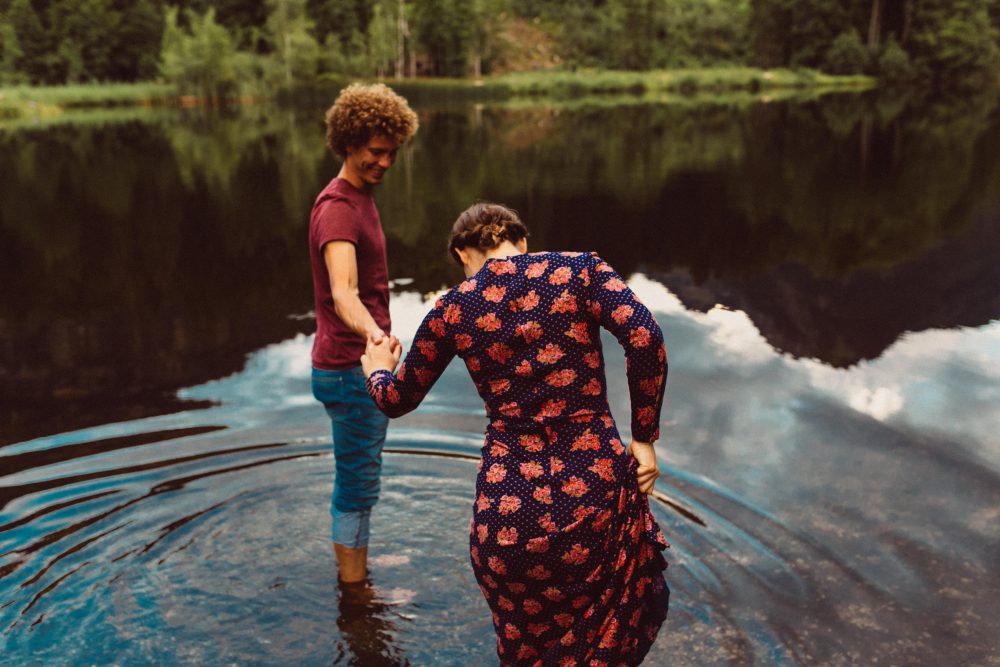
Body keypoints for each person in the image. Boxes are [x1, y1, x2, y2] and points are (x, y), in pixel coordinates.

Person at [361, 203, 670, 665]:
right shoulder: (581, 270)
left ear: (462, 252)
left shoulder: (453, 308)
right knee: (599, 636)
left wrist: (377, 371)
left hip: (509, 519)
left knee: (525, 651)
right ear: (520, 240)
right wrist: (643, 437)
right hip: (592, 499)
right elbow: (644, 336)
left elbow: (395, 401)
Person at [309, 82, 417, 584]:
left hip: (352, 365)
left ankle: (359, 564)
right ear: (349, 143)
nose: (386, 162)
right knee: (356, 485)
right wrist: (377, 340)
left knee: (362, 477)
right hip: (352, 369)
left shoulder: (358, 197)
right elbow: (343, 292)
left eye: (392, 152)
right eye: (377, 152)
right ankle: (355, 594)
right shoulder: (338, 209)